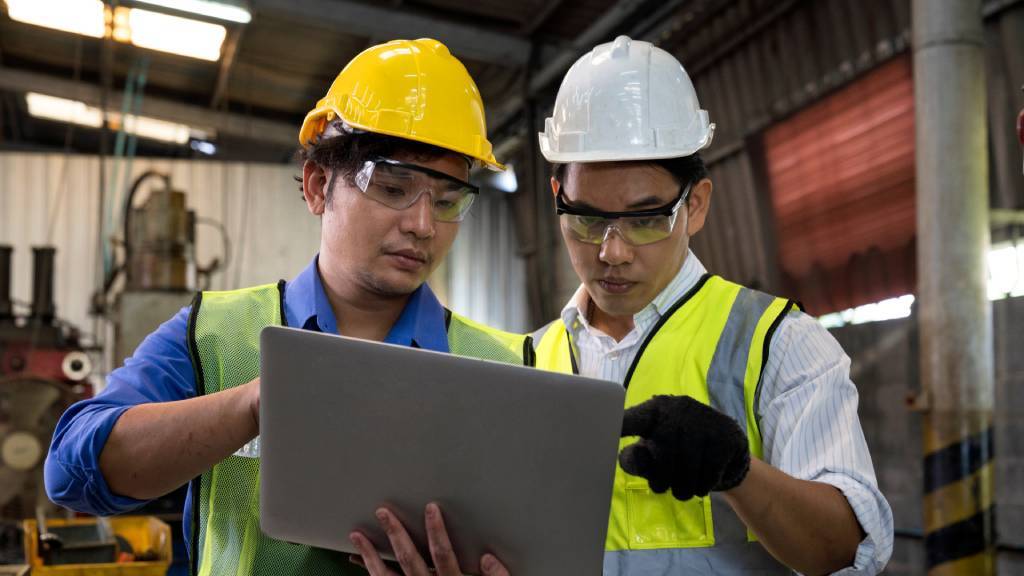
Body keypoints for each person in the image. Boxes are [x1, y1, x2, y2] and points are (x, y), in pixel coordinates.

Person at [45, 38, 522, 576]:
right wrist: (253, 404)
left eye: (447, 200)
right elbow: (70, 472)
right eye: (393, 187)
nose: (422, 224)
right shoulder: (217, 337)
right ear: (319, 185)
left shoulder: (499, 368)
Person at [532, 36, 893, 575]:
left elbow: (840, 550)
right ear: (558, 194)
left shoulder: (780, 343)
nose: (612, 252)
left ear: (695, 205)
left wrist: (737, 471)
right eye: (586, 218)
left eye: (646, 218)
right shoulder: (536, 356)